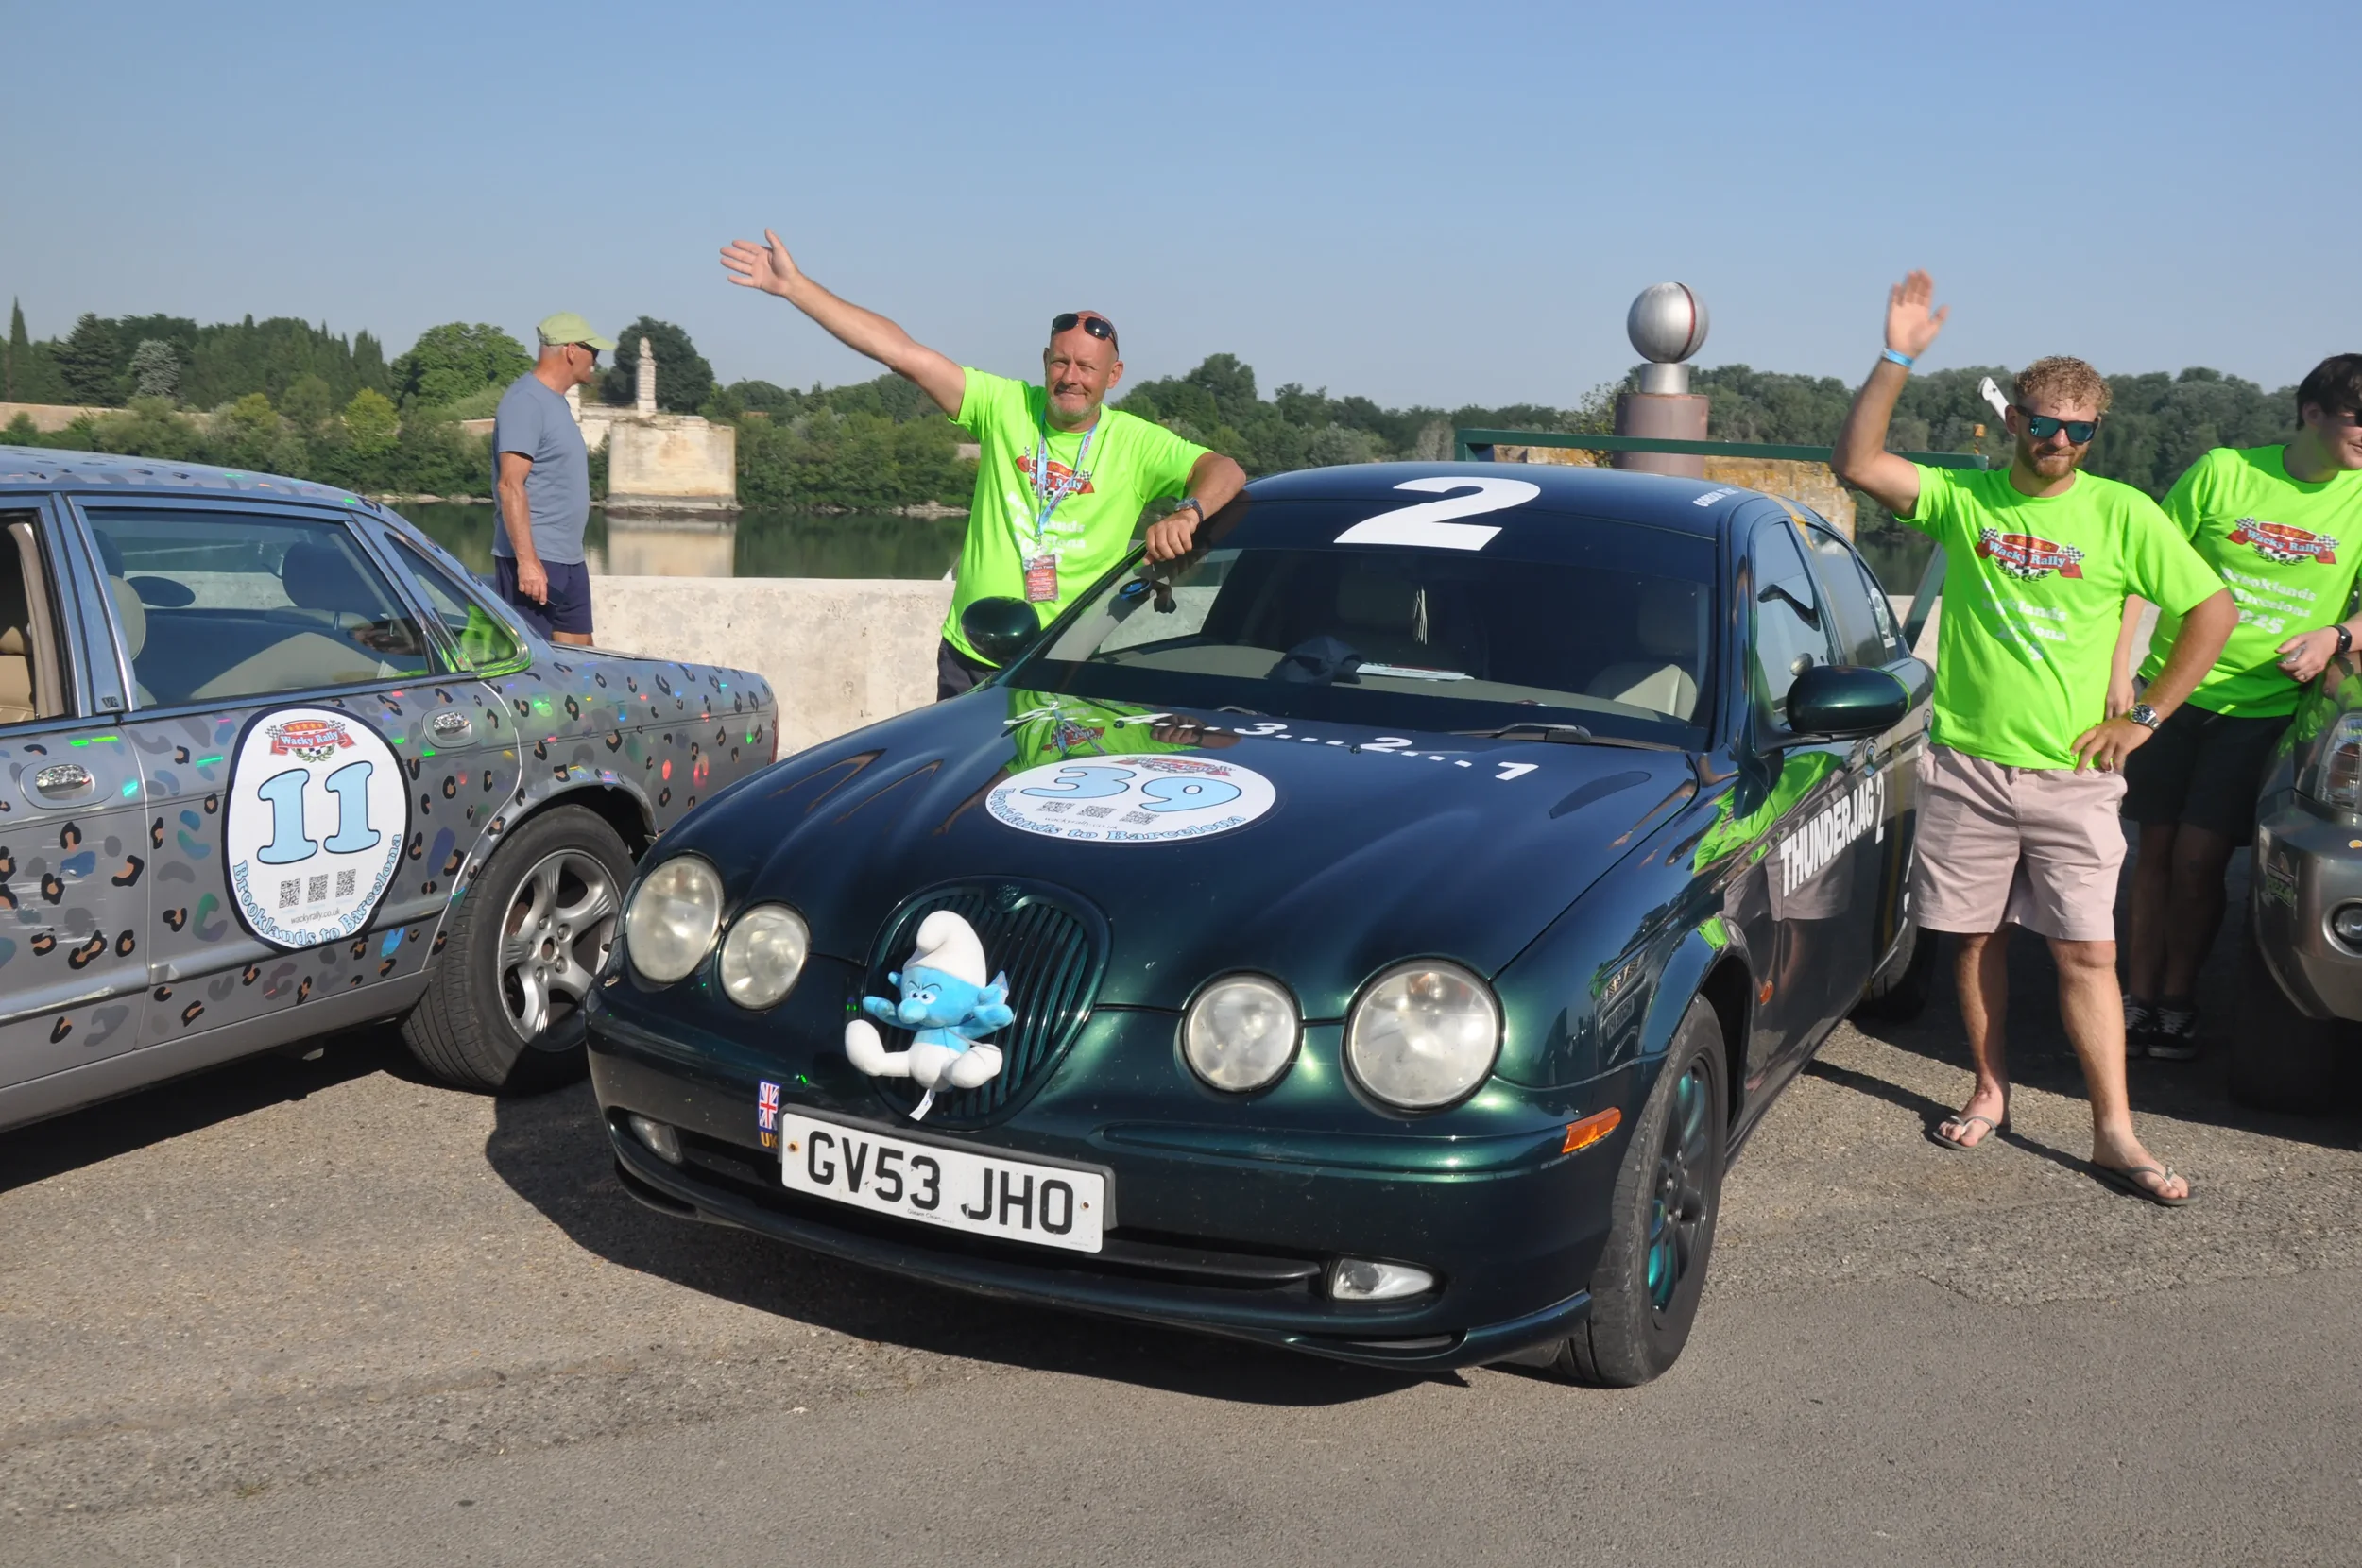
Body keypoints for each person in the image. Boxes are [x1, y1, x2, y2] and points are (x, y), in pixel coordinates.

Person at [1831, 271, 2235, 1205]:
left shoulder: (2124, 514)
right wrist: (1896, 356)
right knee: (1970, 942)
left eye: (2078, 429)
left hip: (2074, 772)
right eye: (2044, 423)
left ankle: (2112, 1132)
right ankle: (1988, 1088)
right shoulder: (1965, 501)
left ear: (2097, 433)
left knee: (2087, 950)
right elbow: (1857, 462)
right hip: (1969, 763)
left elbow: (2211, 610)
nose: (2059, 442)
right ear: (2013, 420)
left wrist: (2145, 716)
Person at [720, 230, 1247, 698]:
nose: (1070, 376)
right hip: (969, 659)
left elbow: (1225, 470)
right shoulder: (1004, 405)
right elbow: (902, 353)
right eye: (1060, 361)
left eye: (1087, 367)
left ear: (1114, 376)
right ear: (1044, 361)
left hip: (1068, 659)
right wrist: (796, 288)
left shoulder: (1136, 443)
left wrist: (1187, 513)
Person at [2112, 356, 2362, 1060]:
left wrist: (2335, 635)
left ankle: (2179, 997)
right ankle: (2137, 998)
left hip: (2263, 706)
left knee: (2201, 859)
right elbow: (2142, 572)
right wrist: (2120, 668)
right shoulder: (2224, 471)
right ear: (2313, 413)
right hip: (2170, 690)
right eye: (2358, 417)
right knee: (2152, 851)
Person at [492, 312, 612, 645]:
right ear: (572, 350)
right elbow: (509, 484)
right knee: (530, 672)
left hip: (568, 558)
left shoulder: (554, 403)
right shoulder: (526, 401)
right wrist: (528, 563)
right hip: (538, 560)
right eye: (594, 352)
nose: (596, 362)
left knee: (582, 666)